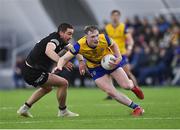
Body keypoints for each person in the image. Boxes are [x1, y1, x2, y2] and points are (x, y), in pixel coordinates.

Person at [55, 26, 144, 116]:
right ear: (86, 37)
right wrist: (59, 67)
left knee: (126, 86)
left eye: (97, 35)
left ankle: (133, 87)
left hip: (110, 62)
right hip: (95, 68)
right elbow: (64, 58)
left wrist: (119, 57)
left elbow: (114, 44)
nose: (96, 39)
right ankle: (137, 108)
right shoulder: (79, 45)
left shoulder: (104, 38)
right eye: (92, 37)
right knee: (110, 92)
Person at [17, 23, 83, 118]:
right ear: (61, 32)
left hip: (30, 69)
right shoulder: (55, 40)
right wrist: (62, 61)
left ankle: (24, 108)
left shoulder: (61, 40)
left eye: (71, 34)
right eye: (69, 33)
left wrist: (81, 61)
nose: (70, 36)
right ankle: (63, 111)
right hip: (33, 71)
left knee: (47, 88)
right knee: (64, 83)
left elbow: (74, 49)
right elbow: (48, 50)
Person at [104, 10, 142, 100]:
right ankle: (111, 93)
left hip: (121, 54)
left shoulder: (123, 27)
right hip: (110, 54)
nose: (115, 17)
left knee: (127, 72)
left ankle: (137, 89)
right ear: (111, 16)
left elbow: (130, 40)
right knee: (109, 74)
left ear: (119, 17)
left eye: (117, 15)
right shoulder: (107, 27)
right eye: (113, 15)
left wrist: (129, 48)